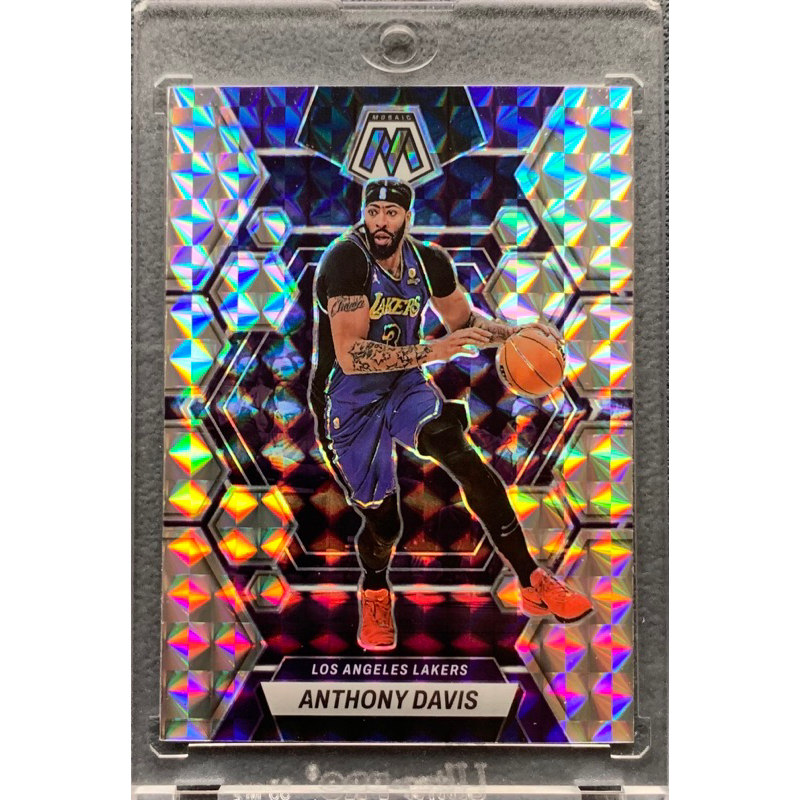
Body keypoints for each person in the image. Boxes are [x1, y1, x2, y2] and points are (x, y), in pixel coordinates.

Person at [309, 178, 592, 651]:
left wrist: (516, 334)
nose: (381, 223)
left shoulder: (429, 262)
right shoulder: (346, 259)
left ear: (407, 217)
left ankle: (532, 579)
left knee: (463, 458)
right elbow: (351, 355)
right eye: (373, 212)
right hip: (347, 400)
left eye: (391, 213)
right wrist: (433, 351)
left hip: (404, 387)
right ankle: (375, 592)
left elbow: (464, 322)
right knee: (386, 523)